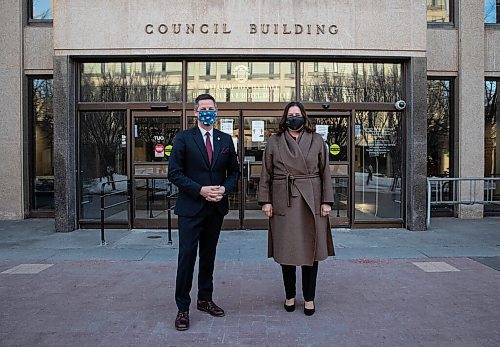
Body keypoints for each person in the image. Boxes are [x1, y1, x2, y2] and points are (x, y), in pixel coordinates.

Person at [168, 93, 240, 331]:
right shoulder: (183, 138)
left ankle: (205, 299)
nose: (207, 112)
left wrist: (223, 190)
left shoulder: (225, 140)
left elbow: (235, 173)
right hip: (191, 208)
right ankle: (182, 308)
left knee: (208, 256)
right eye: (203, 108)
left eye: (211, 108)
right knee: (187, 258)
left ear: (216, 112)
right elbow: (175, 173)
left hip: (215, 208)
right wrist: (200, 190)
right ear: (195, 113)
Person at [258, 101, 334, 316]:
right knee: (287, 251)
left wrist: (326, 201)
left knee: (312, 250)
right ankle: (289, 295)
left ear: (304, 117)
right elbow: (266, 173)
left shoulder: (317, 140)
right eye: (290, 114)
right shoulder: (274, 141)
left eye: (297, 114)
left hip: (313, 199)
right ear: (285, 117)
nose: (294, 118)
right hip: (284, 200)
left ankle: (309, 298)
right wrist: (266, 201)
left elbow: (325, 172)